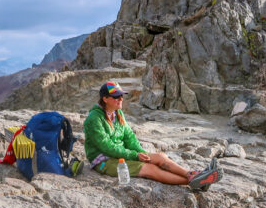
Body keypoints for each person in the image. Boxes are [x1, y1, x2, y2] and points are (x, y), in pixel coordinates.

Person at [83, 81, 221, 190]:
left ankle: (193, 174)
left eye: (121, 96)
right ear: (105, 99)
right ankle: (195, 182)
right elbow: (107, 147)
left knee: (160, 157)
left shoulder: (118, 114)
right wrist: (134, 156)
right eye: (116, 97)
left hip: (121, 155)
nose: (120, 99)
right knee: (150, 169)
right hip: (104, 161)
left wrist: (141, 153)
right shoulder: (94, 119)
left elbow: (129, 137)